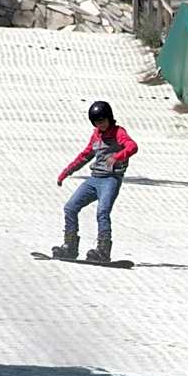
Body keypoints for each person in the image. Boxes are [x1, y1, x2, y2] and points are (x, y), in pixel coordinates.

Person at [52, 101, 138, 262]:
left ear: (109, 118)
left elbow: (132, 147)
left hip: (111, 180)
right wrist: (66, 172)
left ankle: (103, 250)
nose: (101, 125)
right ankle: (70, 246)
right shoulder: (96, 135)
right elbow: (85, 156)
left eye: (103, 121)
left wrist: (117, 157)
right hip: (94, 179)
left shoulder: (118, 132)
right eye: (97, 123)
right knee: (70, 207)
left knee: (102, 212)